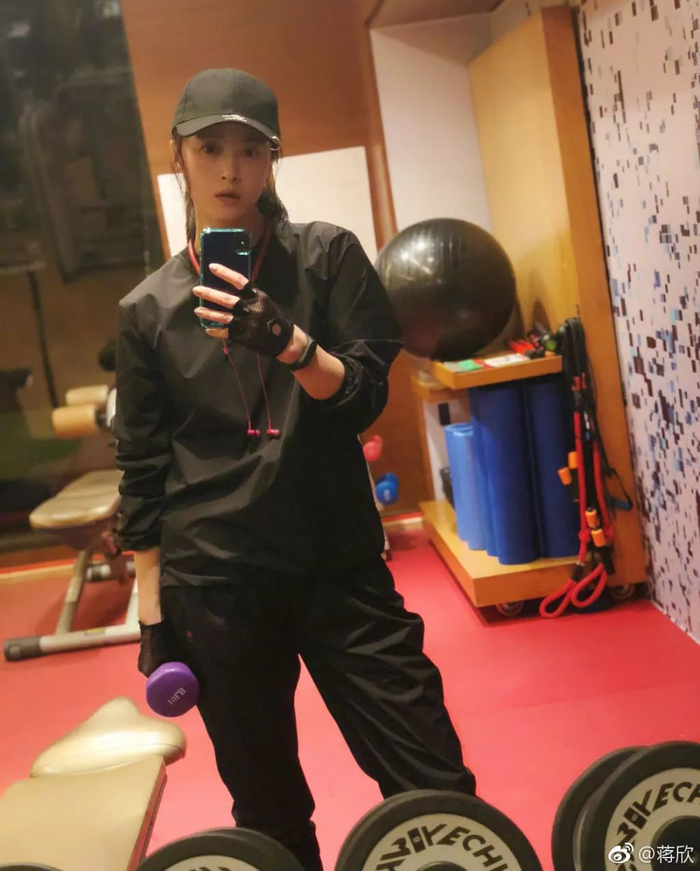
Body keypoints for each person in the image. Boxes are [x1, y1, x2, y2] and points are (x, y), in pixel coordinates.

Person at [114, 67, 476, 871]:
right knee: (269, 812)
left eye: (251, 150)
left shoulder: (327, 257)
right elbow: (141, 467)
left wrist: (290, 343)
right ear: (179, 156)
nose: (230, 170)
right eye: (210, 148)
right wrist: (151, 612)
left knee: (434, 780)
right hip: (216, 582)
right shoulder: (147, 310)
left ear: (273, 159)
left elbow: (362, 397)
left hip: (335, 563)